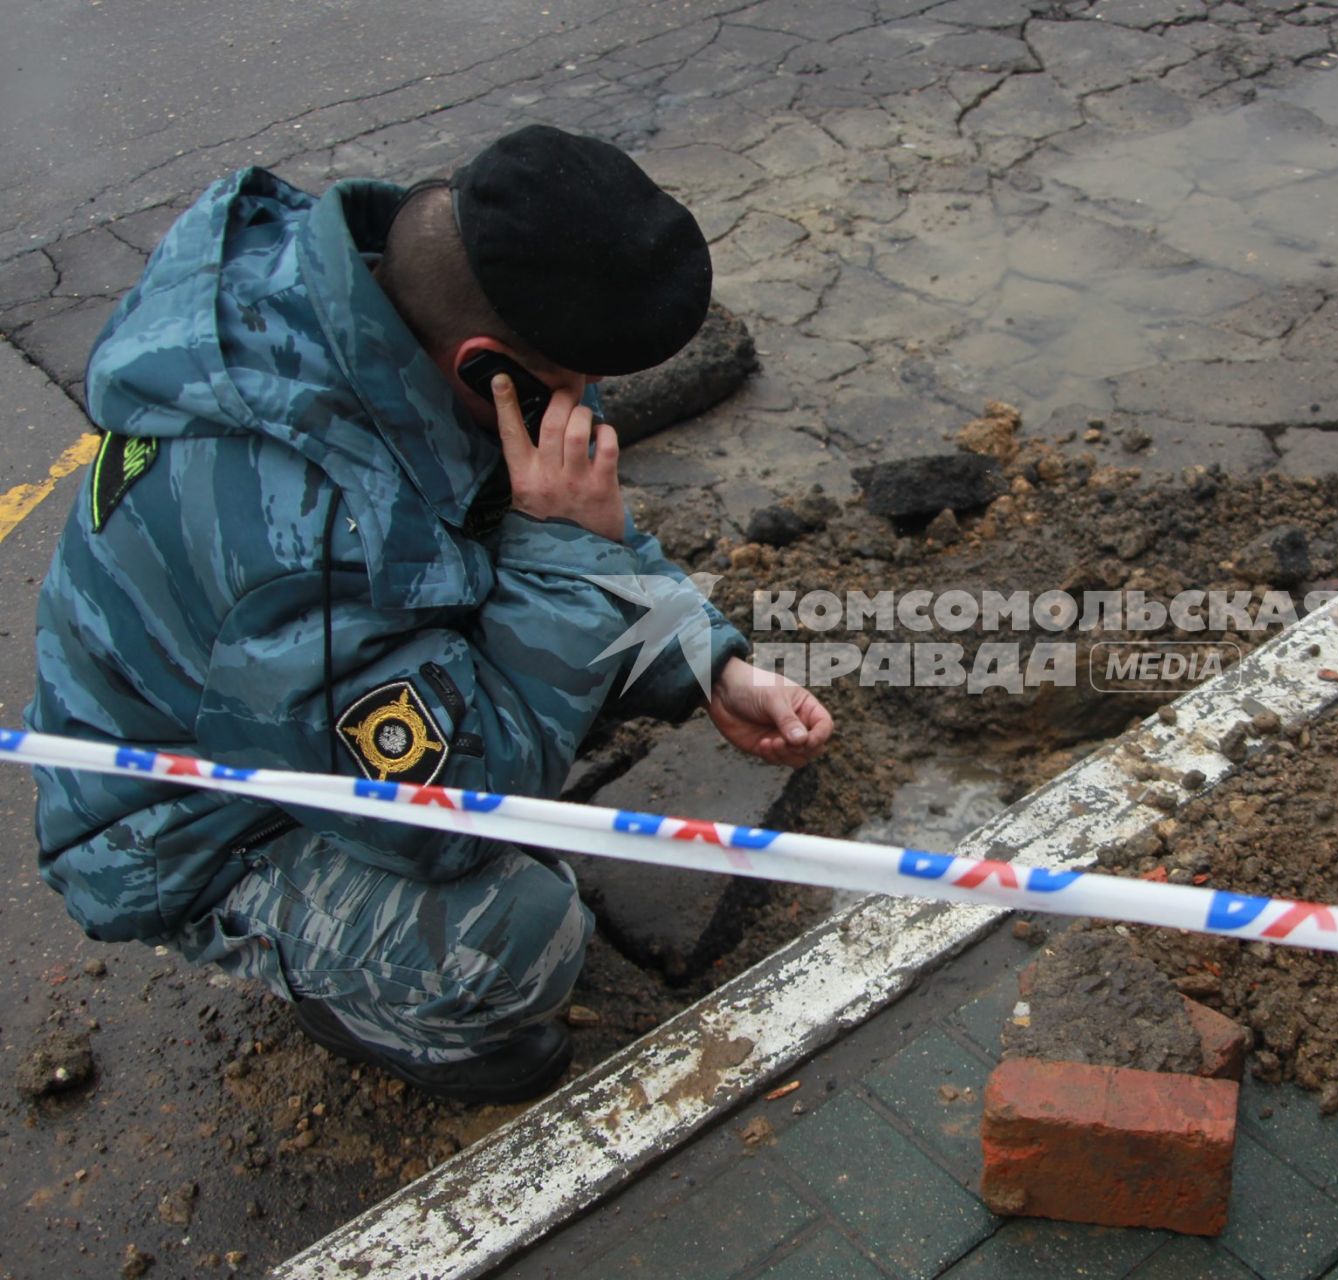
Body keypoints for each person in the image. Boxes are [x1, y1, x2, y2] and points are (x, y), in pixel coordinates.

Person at [26, 125, 833, 1104]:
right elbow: (443, 822)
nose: (592, 405)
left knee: (549, 572)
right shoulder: (309, 531)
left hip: (287, 700)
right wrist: (568, 548)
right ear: (491, 369)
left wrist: (708, 662)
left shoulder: (375, 321)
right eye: (577, 383)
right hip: (186, 831)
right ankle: (369, 998)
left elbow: (509, 521)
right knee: (521, 933)